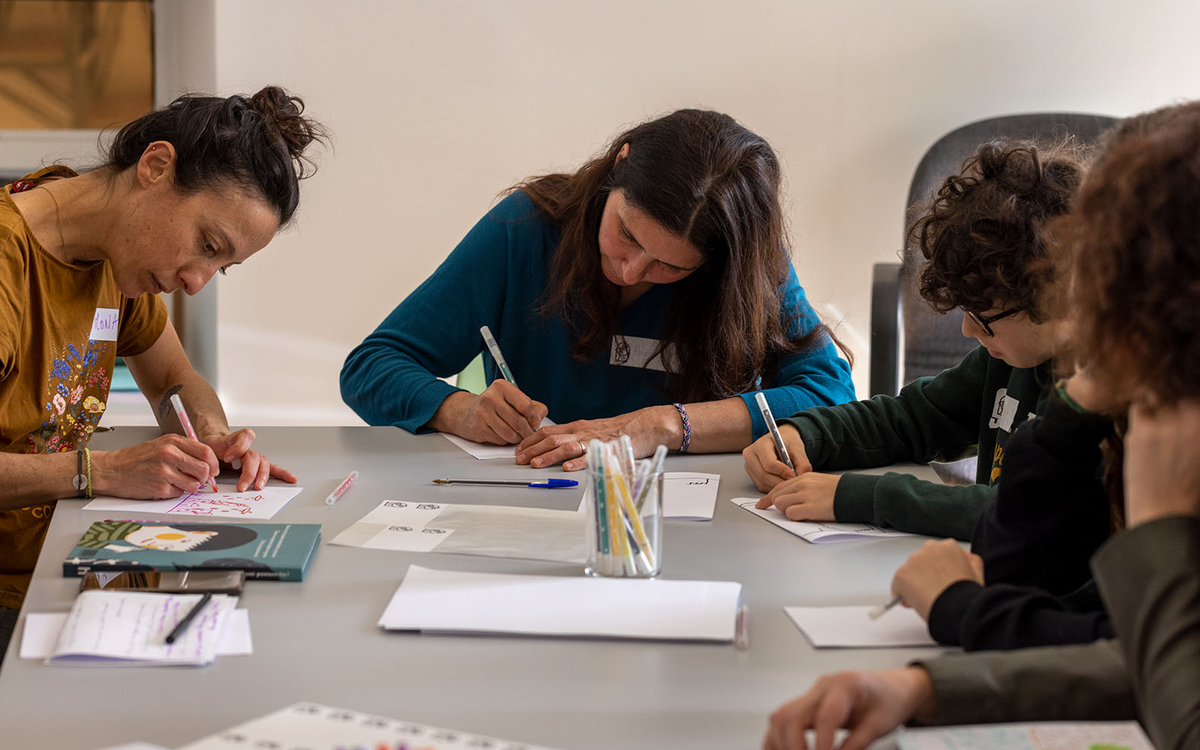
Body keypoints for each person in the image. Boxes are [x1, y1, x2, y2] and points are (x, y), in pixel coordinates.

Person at [762, 106, 1200, 750]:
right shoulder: (1133, 393)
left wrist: (1159, 524)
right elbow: (1027, 569)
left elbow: (1164, 677)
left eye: (1111, 283)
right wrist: (926, 691)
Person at [0, 86, 325, 658]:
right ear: (155, 165)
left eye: (220, 268)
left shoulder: (110, 253)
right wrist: (95, 471)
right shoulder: (9, 263)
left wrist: (212, 434)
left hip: (69, 560)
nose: (197, 282)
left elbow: (176, 376)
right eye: (206, 244)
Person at [340, 109, 855, 470]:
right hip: (534, 496)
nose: (631, 272)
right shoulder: (526, 228)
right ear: (618, 164)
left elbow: (832, 398)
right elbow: (372, 366)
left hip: (695, 514)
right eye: (626, 235)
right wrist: (461, 410)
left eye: (670, 267)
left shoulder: (743, 263)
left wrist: (659, 427)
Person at [743, 138, 1085, 540]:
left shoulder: (1100, 393)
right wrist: (806, 434)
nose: (968, 331)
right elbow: (915, 418)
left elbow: (1025, 513)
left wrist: (859, 496)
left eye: (986, 318)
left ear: (1062, 297)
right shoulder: (1011, 357)